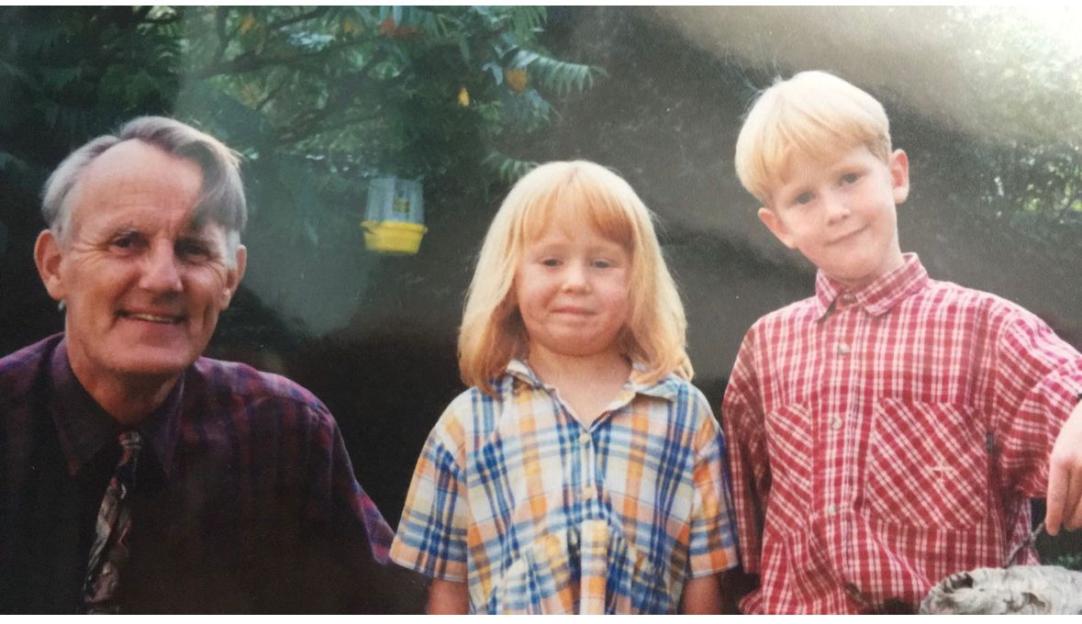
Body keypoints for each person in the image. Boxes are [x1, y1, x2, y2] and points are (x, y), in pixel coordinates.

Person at [0, 116, 403, 613]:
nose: (163, 279)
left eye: (193, 250)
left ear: (232, 277)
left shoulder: (286, 432)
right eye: (126, 242)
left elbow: (397, 607)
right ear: (54, 265)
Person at [722, 70, 1082, 613]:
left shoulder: (988, 330)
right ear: (779, 227)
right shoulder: (765, 347)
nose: (835, 210)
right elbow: (741, 535)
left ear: (896, 176)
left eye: (848, 178)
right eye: (803, 197)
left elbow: (1068, 407)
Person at [389, 160, 739, 614]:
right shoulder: (468, 423)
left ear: (638, 280)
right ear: (511, 279)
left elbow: (705, 579)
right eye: (551, 261)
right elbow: (448, 586)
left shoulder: (684, 416)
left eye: (602, 262)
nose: (576, 282)